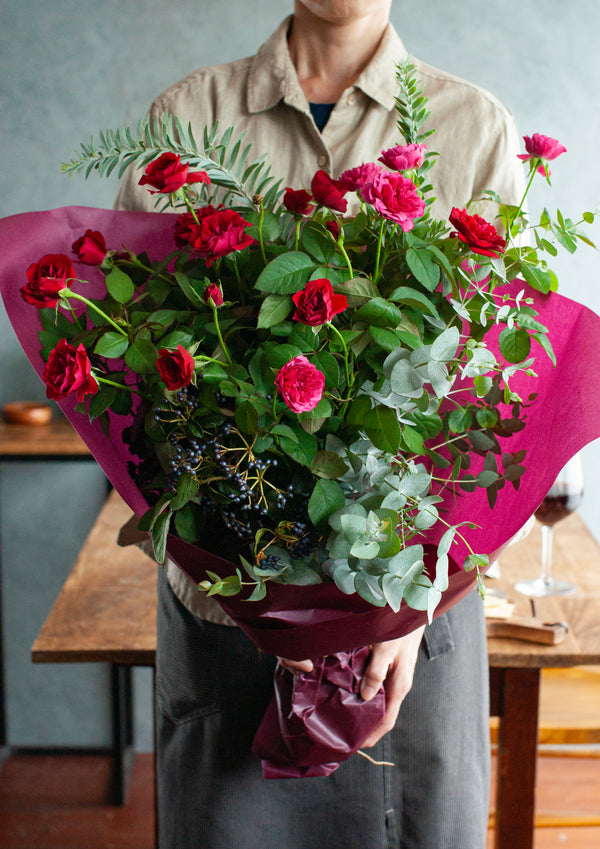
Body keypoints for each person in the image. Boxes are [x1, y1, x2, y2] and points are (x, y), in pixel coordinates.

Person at [116, 2, 525, 847]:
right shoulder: (190, 120)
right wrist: (255, 583)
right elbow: (133, 370)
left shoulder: (473, 129)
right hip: (232, 612)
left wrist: (407, 606)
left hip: (410, 630)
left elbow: (499, 390)